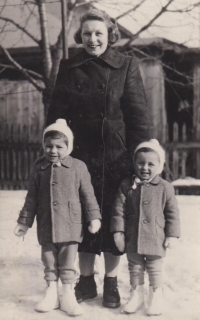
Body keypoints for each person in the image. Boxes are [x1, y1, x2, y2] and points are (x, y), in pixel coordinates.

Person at [46, 8, 151, 308]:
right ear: (81, 36)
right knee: (79, 219)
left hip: (116, 157)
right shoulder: (68, 67)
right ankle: (87, 281)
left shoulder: (125, 66)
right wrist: (57, 150)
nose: (92, 39)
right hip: (78, 158)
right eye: (87, 34)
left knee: (114, 220)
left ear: (110, 35)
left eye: (99, 34)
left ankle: (112, 282)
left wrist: (140, 158)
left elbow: (138, 117)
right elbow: (57, 115)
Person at [14, 119, 101, 317]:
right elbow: (31, 197)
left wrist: (93, 218)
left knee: (68, 262)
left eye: (59, 146)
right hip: (46, 224)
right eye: (48, 146)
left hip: (71, 225)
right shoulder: (39, 167)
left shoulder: (78, 167)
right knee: (49, 261)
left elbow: (88, 196)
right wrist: (24, 222)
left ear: (68, 146)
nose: (53, 151)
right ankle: (51, 292)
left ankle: (68, 294)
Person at [111, 139, 180, 316]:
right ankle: (136, 295)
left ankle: (155, 296)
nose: (145, 168)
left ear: (159, 165)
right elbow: (118, 210)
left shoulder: (165, 187)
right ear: (134, 163)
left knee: (155, 268)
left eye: (151, 164)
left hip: (156, 237)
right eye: (140, 163)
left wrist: (172, 235)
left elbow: (172, 213)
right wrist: (118, 231)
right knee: (134, 266)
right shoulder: (127, 185)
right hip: (133, 236)